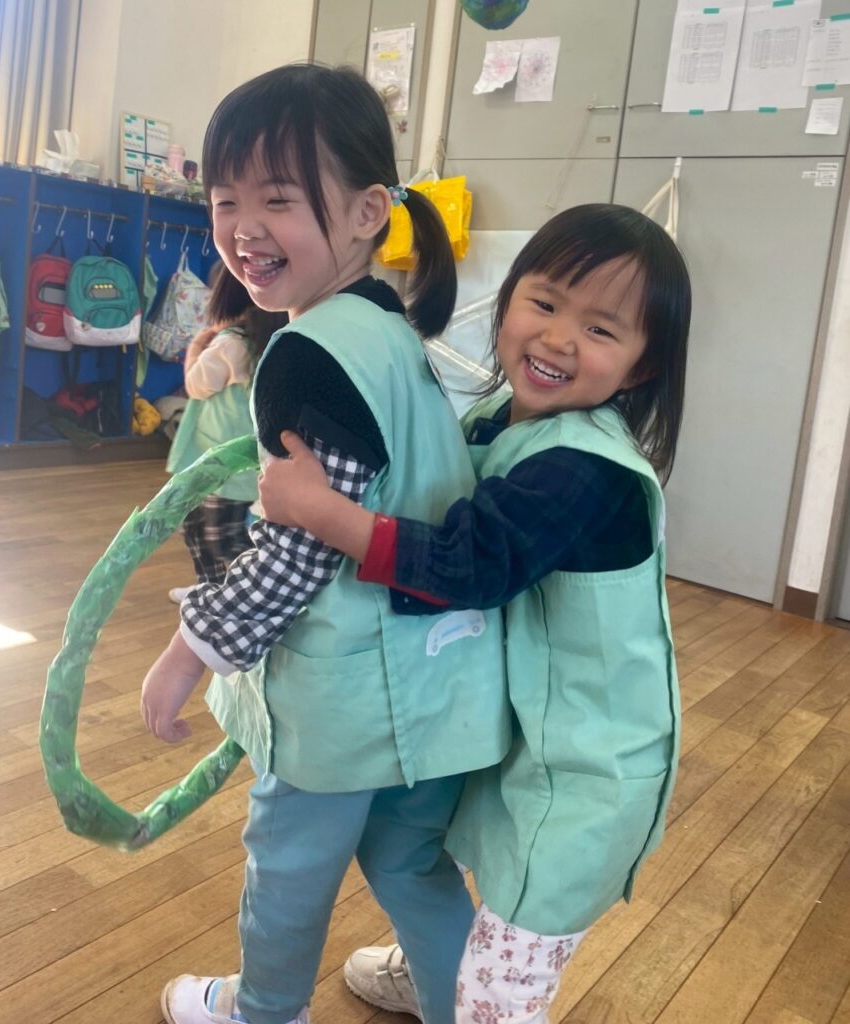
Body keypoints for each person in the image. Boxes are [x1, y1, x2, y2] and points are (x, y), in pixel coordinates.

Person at [139, 63, 511, 1024]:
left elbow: (298, 553)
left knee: (288, 869)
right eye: (226, 200)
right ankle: (472, 1011)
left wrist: (186, 654)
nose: (243, 227)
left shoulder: (308, 354)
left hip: (345, 702)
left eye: (278, 199)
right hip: (437, 686)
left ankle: (262, 1011)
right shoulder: (385, 326)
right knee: (411, 864)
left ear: (365, 213)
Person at [258, 203, 691, 1024]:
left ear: (640, 369)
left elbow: (466, 564)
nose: (559, 339)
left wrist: (321, 511)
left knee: (509, 968)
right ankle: (439, 974)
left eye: (601, 329)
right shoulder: (494, 420)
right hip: (517, 722)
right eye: (546, 302)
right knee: (413, 850)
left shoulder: (583, 472)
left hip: (584, 770)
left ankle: (475, 995)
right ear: (508, 300)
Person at [165, 264, 287, 604]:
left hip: (218, 462)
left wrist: (197, 345)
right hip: (235, 461)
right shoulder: (267, 341)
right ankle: (212, 589)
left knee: (219, 536)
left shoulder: (230, 344)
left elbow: (196, 385)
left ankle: (243, 595)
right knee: (201, 527)